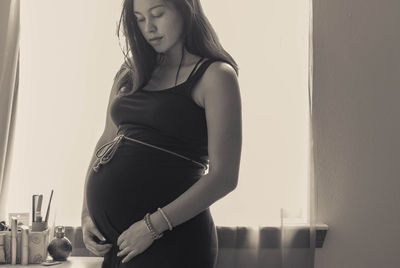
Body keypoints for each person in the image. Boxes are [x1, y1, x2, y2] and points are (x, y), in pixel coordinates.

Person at [80, 0, 242, 267]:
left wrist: (151, 227)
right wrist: (87, 214)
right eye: (139, 19)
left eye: (157, 14)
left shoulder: (216, 76)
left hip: (173, 242)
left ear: (185, 9)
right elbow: (107, 140)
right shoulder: (130, 71)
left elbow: (224, 176)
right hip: (121, 246)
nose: (149, 28)